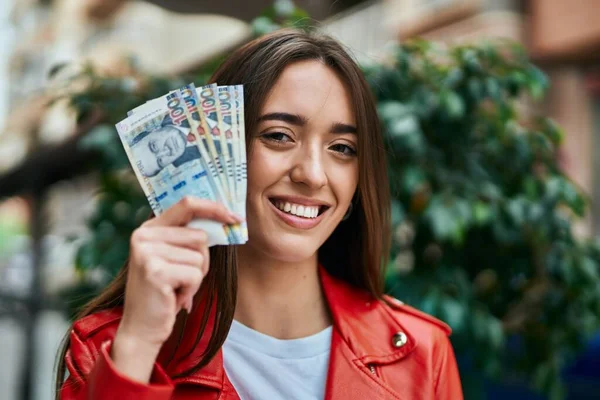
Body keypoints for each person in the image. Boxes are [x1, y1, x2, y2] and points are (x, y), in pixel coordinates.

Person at [56, 29, 463, 399]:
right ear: (217, 149)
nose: (312, 175)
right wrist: (139, 345)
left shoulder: (422, 354)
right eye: (278, 136)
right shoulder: (112, 349)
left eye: (342, 148)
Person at [130, 124, 201, 177]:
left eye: (154, 146)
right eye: (160, 160)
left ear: (153, 130)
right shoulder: (191, 160)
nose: (166, 151)